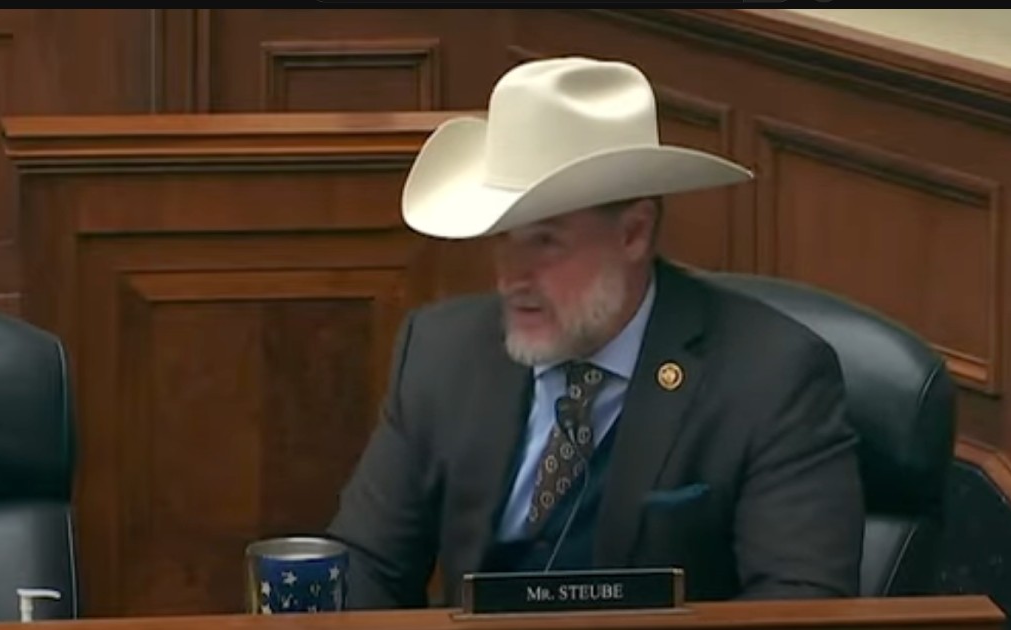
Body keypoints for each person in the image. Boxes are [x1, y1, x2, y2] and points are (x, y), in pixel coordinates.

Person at [327, 56, 864, 609]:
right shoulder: (442, 353)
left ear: (634, 233)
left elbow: (802, 603)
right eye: (503, 240)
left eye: (545, 242)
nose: (512, 277)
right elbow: (367, 562)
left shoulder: (772, 376)